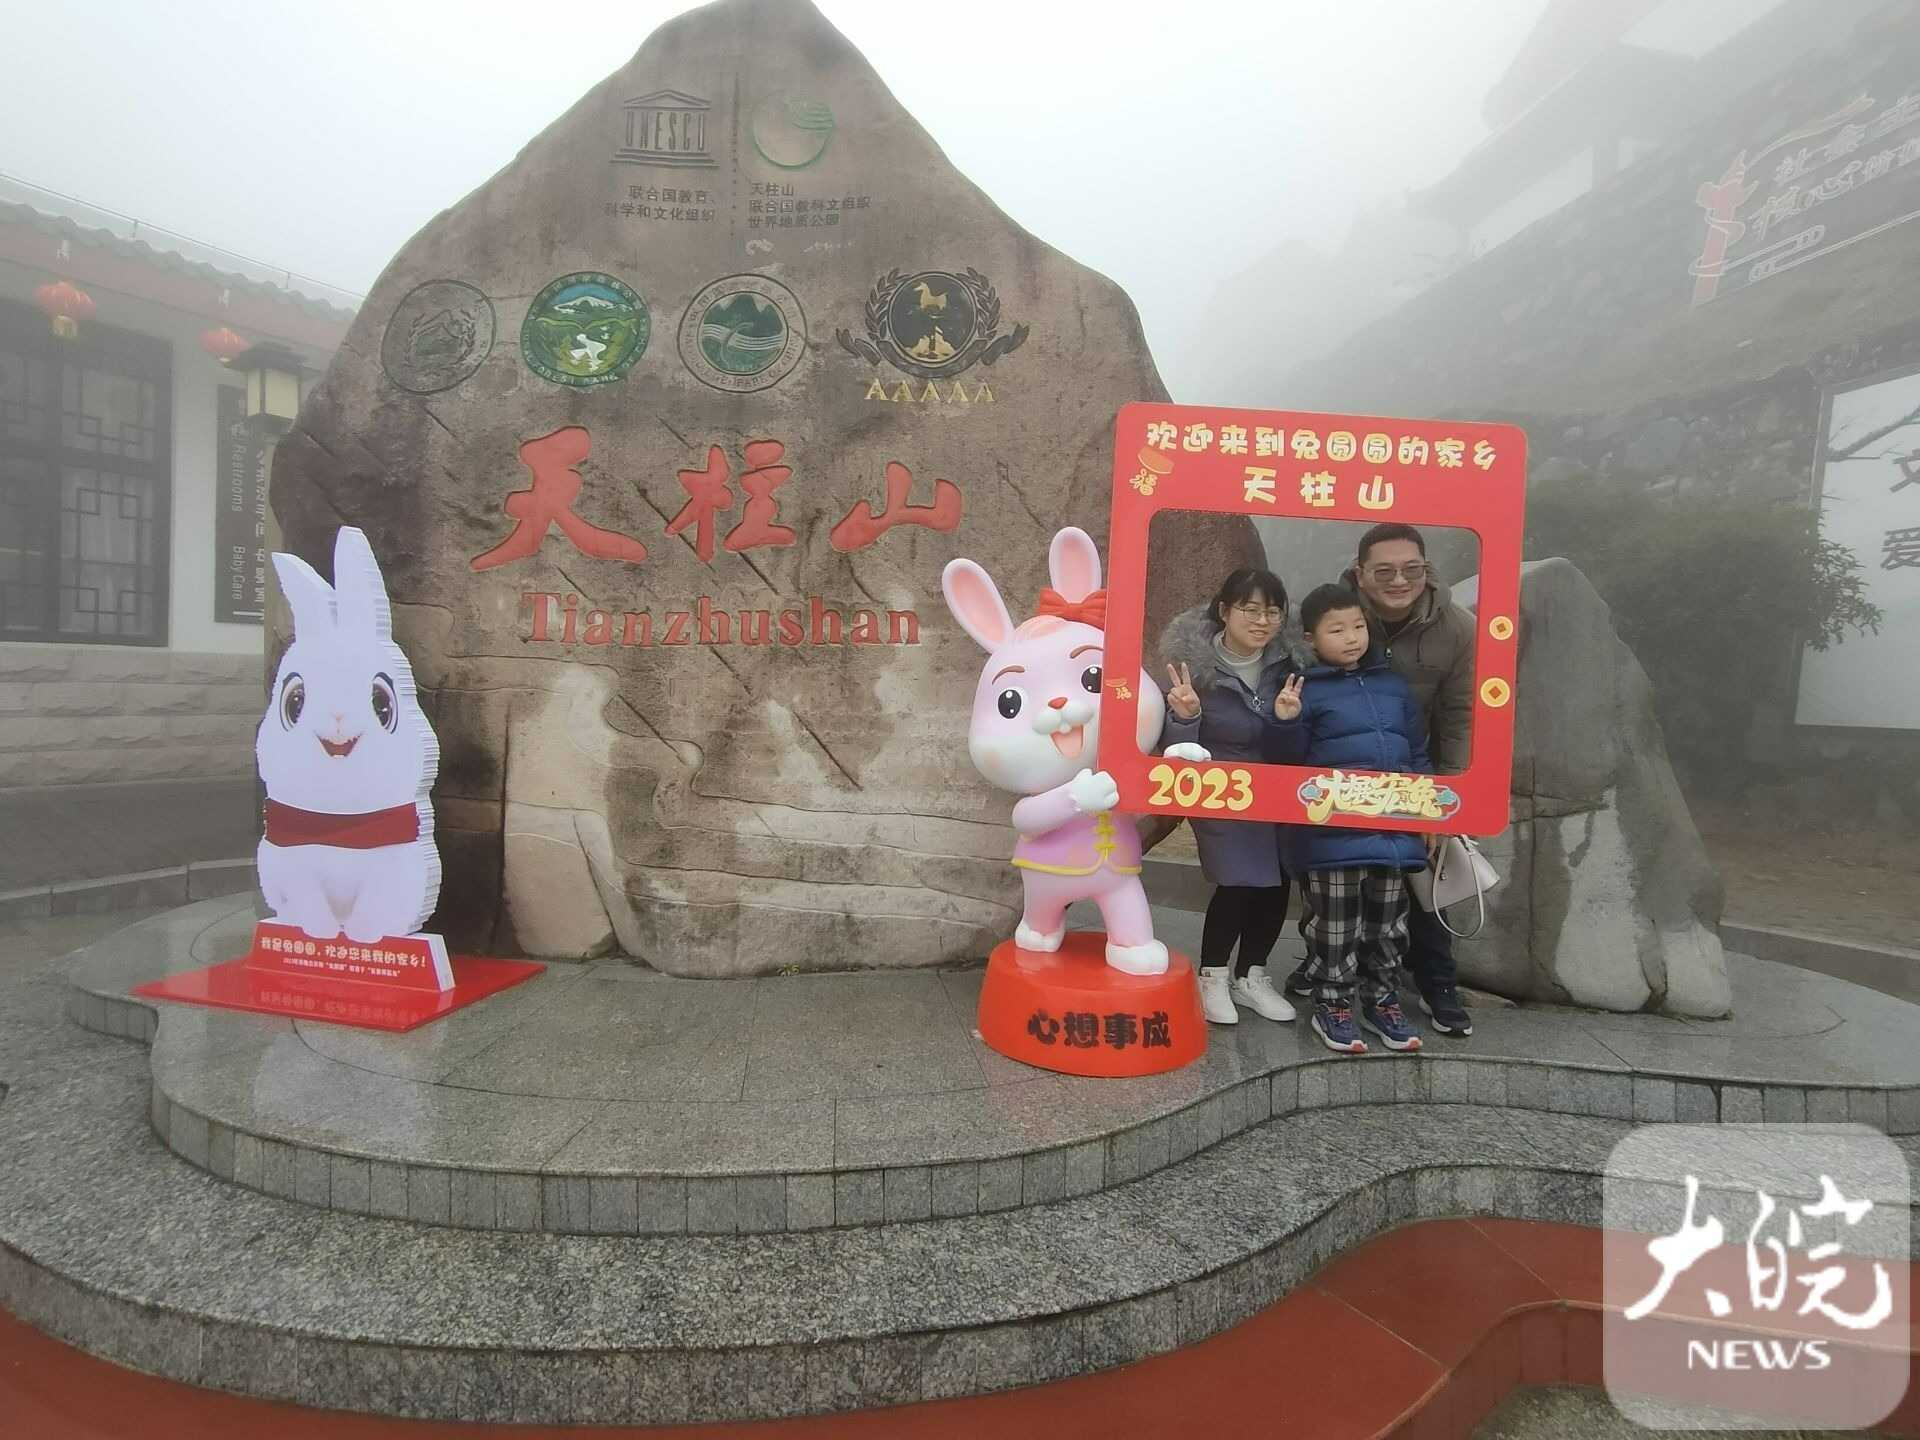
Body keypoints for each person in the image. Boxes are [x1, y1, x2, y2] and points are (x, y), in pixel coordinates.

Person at [1284, 523, 1477, 1038]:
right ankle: (1331, 995)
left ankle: (1408, 993)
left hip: (1401, 802)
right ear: (1361, 574)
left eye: (1412, 569)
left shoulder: (1452, 631)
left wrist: (1443, 802)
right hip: (1334, 819)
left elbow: (1452, 723)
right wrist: (1285, 720)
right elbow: (1288, 751)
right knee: (1334, 918)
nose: (1400, 580)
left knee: (1396, 915)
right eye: (1385, 570)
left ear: (1427, 570)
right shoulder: (1316, 659)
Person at [1267, 584, 1428, 1055]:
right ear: (1310, 638)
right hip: (1329, 835)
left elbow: (1417, 753)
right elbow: (1286, 765)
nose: (1352, 637)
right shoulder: (1302, 688)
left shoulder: (1393, 685)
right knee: (1335, 927)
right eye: (1336, 630)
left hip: (1393, 829)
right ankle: (1333, 1005)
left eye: (1358, 626)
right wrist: (1285, 721)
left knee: (1389, 926)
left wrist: (1429, 815)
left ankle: (1381, 1001)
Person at [1158, 567, 1302, 1027]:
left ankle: (1252, 976)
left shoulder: (1289, 666)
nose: (1262, 621)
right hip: (1222, 791)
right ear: (1224, 611)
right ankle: (1213, 975)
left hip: (1277, 789)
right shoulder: (1193, 668)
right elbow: (1176, 750)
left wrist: (1286, 720)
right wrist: (1186, 717)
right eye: (1250, 609)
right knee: (1237, 880)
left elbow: (1296, 742)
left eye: (1273, 612)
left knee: (1278, 881)